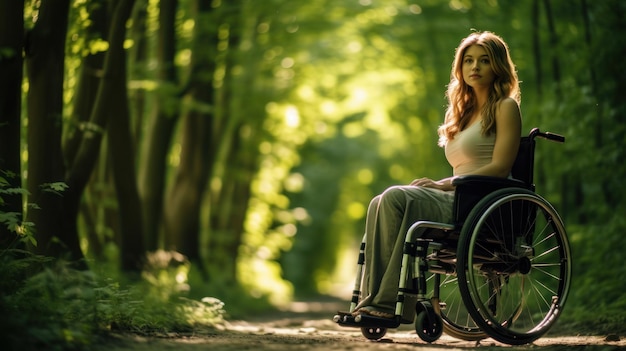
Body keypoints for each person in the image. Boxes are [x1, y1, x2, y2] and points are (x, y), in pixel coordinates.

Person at [352, 31, 522, 319]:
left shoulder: (506, 107)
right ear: (460, 67)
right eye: (468, 61)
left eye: (483, 61)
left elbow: (501, 167)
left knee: (394, 196)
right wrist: (445, 187)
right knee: (378, 202)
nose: (474, 67)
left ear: (498, 67)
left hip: (479, 203)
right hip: (456, 196)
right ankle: (371, 300)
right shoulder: (460, 114)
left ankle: (386, 304)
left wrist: (443, 184)